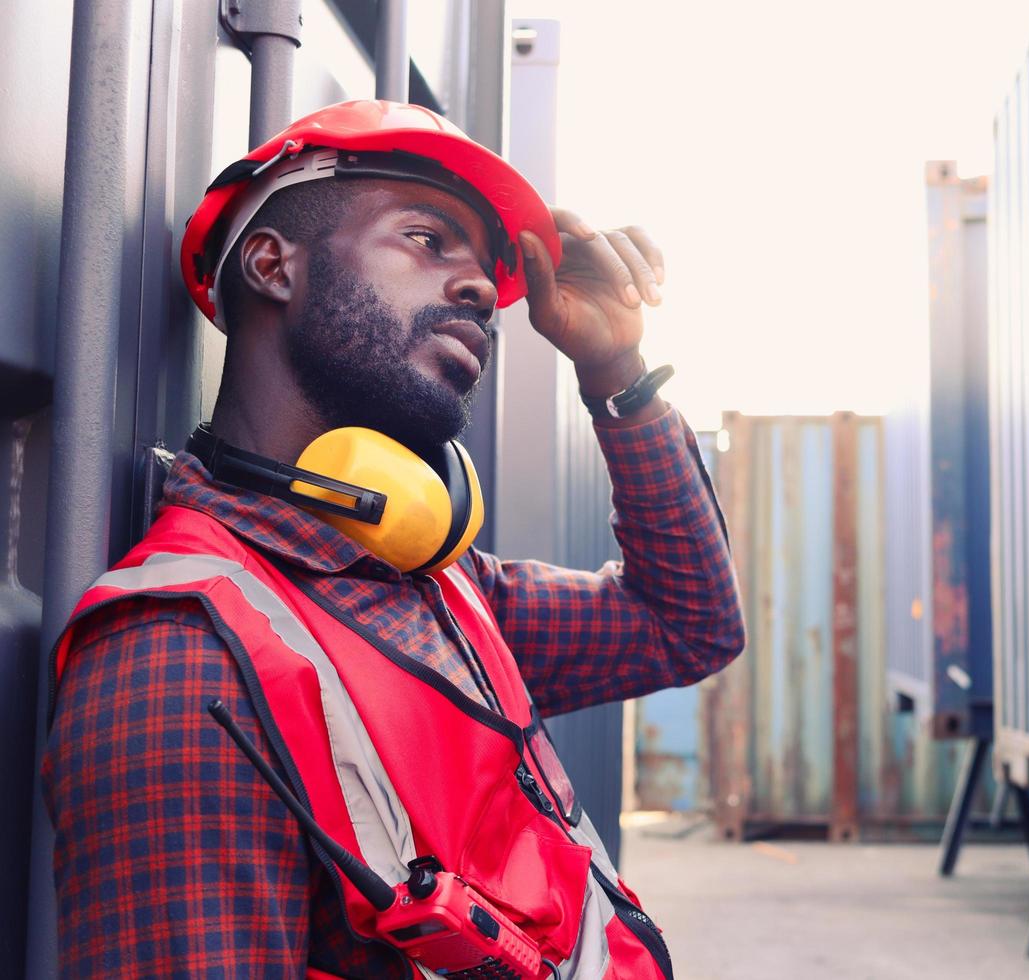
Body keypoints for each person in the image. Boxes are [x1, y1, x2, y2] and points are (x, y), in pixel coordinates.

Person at [41, 100, 744, 979]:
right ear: (272, 264)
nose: (483, 290)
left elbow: (689, 623)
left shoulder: (439, 585)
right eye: (425, 238)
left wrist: (616, 372)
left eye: (484, 267)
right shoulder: (185, 660)